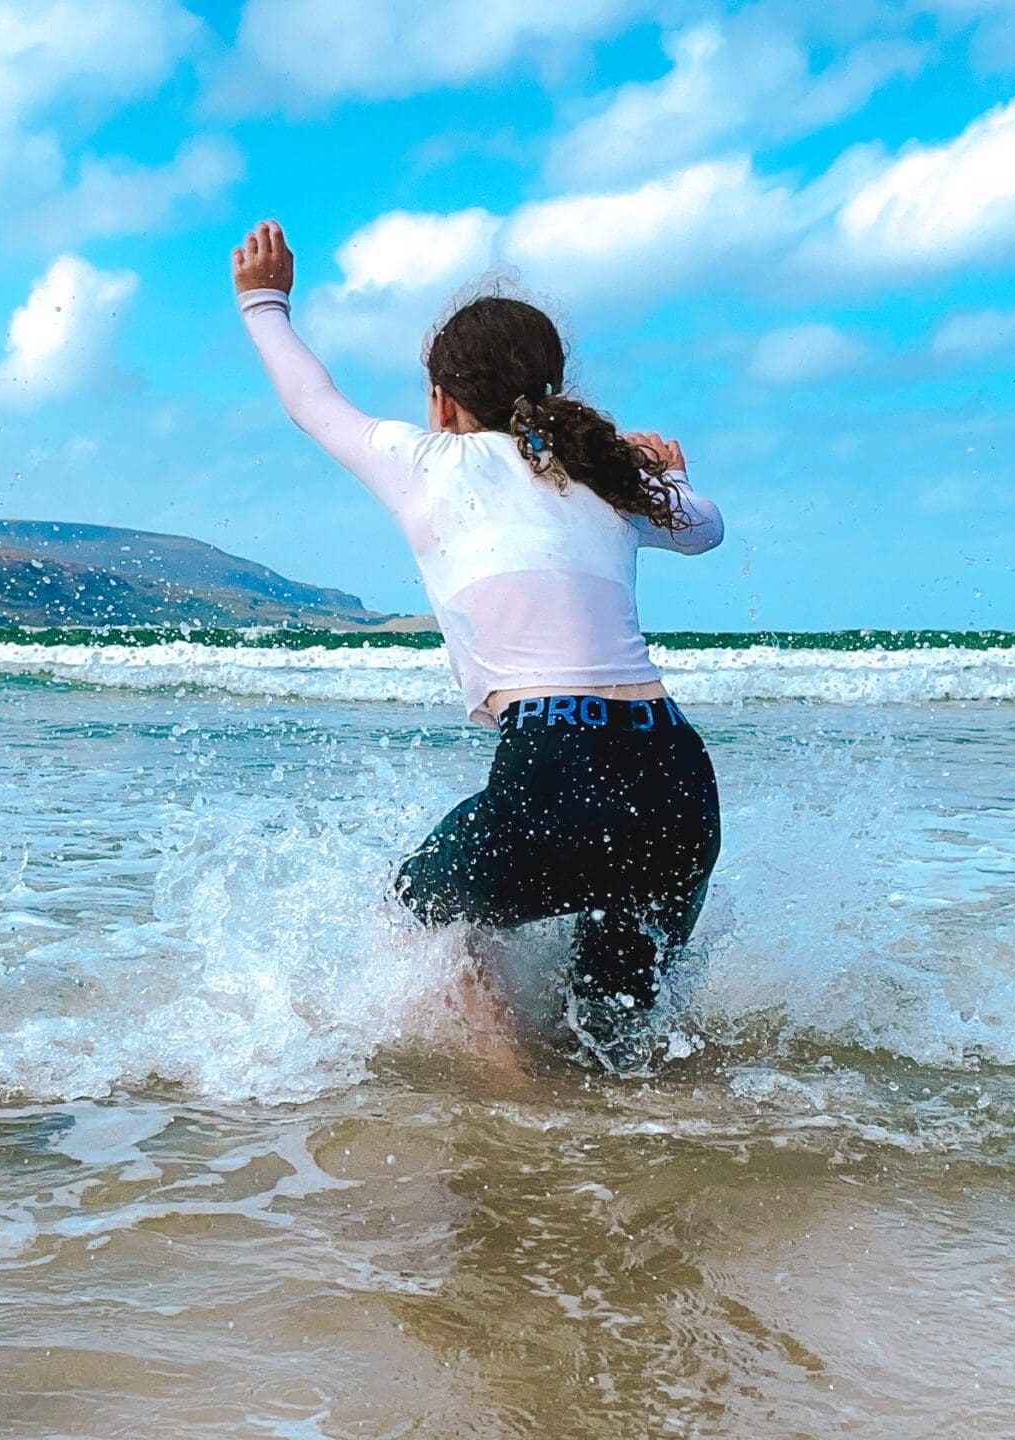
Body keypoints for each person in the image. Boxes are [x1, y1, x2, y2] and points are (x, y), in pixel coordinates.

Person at [229, 220, 725, 1068]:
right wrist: (667, 476)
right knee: (615, 1047)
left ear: (442, 399)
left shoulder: (427, 464)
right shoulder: (600, 477)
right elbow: (703, 531)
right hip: (678, 783)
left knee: (417, 912)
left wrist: (263, 302)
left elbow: (311, 402)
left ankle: (515, 1106)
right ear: (553, 389)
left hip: (556, 768)